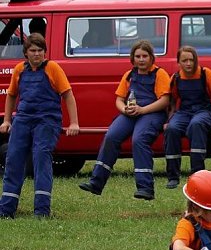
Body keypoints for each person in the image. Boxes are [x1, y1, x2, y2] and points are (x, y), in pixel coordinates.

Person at [79, 40, 171, 200]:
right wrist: (125, 109)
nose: (141, 59)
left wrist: (142, 110)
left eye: (144, 56)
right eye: (138, 56)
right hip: (131, 114)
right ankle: (96, 182)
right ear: (132, 58)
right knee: (111, 136)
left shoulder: (159, 74)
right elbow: (119, 99)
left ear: (151, 58)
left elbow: (165, 100)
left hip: (152, 113)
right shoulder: (129, 75)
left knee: (139, 140)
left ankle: (145, 188)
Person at [0, 33, 79, 218]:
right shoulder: (19, 69)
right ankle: (6, 209)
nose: (37, 54)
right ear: (26, 53)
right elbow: (11, 95)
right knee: (13, 158)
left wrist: (74, 122)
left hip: (47, 120)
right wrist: (7, 120)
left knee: (41, 158)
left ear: (45, 52)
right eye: (33, 51)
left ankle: (42, 210)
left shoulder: (53, 68)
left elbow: (68, 95)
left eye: (40, 51)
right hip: (23, 119)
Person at [163, 46, 211, 189]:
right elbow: (172, 101)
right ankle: (173, 176)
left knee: (196, 125)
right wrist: (169, 120)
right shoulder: (175, 77)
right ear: (178, 62)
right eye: (184, 60)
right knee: (172, 129)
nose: (188, 63)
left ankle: (197, 174)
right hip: (184, 112)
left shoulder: (205, 73)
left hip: (204, 111)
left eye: (191, 60)